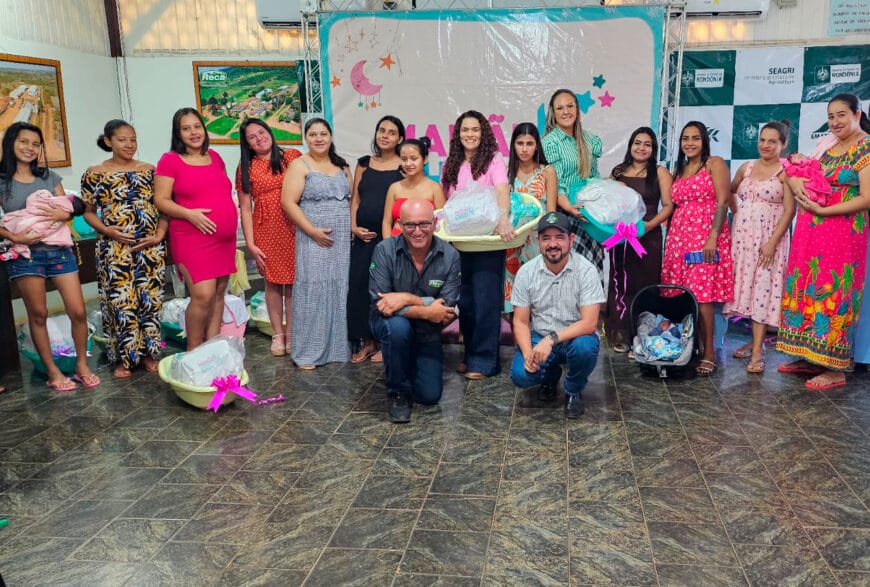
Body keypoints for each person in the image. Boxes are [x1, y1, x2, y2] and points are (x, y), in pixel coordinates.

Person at [777, 93, 870, 389]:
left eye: (841, 114)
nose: (835, 122)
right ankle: (809, 357)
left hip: (843, 233)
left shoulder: (865, 147)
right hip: (811, 233)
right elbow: (795, 174)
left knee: (835, 290)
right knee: (807, 287)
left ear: (857, 115)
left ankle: (835, 367)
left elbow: (867, 197)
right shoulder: (827, 147)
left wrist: (824, 211)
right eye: (831, 116)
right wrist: (794, 180)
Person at [0, 122, 99, 391]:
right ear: (11, 143)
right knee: (38, 314)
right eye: (23, 142)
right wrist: (15, 237)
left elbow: (67, 208)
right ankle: (53, 372)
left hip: (59, 251)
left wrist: (63, 214)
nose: (29, 148)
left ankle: (81, 365)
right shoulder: (2, 179)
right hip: (26, 255)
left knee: (78, 311)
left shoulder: (48, 176)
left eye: (35, 144)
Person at [81, 119, 166, 378]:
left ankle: (150, 353)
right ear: (108, 141)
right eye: (122, 140)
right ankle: (125, 358)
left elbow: (164, 206)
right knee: (121, 302)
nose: (129, 145)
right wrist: (108, 230)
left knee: (150, 301)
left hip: (149, 248)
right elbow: (88, 212)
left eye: (133, 140)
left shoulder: (150, 170)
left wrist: (159, 235)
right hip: (114, 249)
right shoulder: (95, 173)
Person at [369, 199, 461, 423]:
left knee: (429, 396)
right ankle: (397, 392)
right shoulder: (384, 250)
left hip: (427, 331)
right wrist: (427, 310)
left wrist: (406, 298)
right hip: (389, 323)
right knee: (398, 329)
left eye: (424, 224)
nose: (417, 231)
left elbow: (446, 310)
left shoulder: (450, 255)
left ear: (435, 223)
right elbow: (381, 303)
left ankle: (404, 360)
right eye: (410, 225)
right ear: (400, 224)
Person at [154, 108, 237, 350]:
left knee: (219, 293)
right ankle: (194, 351)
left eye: (197, 126)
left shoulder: (215, 157)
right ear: (178, 133)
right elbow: (161, 200)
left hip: (224, 240)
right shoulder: (170, 160)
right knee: (203, 296)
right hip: (192, 237)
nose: (193, 132)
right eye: (186, 128)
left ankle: (213, 347)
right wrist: (190, 214)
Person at [441, 110, 514, 380]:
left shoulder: (494, 160)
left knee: (486, 301)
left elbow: (502, 191)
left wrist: (503, 218)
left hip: (487, 243)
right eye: (465, 130)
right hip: (459, 245)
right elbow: (447, 203)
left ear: (483, 133)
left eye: (475, 129)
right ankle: (470, 354)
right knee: (467, 302)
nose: (469, 134)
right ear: (458, 134)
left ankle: (485, 361)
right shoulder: (450, 164)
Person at [510, 211, 604, 418]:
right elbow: (520, 322)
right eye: (546, 238)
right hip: (540, 335)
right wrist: (528, 354)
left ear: (571, 239)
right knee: (521, 375)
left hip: (575, 337)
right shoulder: (526, 272)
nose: (553, 244)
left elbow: (589, 323)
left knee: (584, 348)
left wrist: (551, 340)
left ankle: (573, 390)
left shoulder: (586, 271)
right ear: (538, 241)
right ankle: (550, 376)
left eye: (559, 237)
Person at [660, 121, 734, 375]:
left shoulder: (714, 164)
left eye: (695, 138)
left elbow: (723, 201)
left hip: (704, 238)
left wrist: (712, 237)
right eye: (685, 138)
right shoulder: (679, 170)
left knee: (703, 296)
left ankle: (710, 352)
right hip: (679, 239)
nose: (689, 143)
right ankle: (691, 347)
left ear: (704, 141)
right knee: (683, 294)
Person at [724, 121, 795, 373]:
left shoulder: (786, 172)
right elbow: (729, 192)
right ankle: (755, 343)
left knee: (763, 292)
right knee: (745, 291)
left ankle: (756, 352)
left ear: (783, 144)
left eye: (772, 141)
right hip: (743, 240)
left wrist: (772, 243)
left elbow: (790, 211)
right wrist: (738, 213)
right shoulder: (747, 167)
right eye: (762, 140)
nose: (766, 145)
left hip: (769, 241)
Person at [281, 118, 352, 369]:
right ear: (306, 138)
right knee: (314, 288)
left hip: (341, 240)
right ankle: (308, 352)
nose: (319, 138)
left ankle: (337, 348)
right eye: (313, 134)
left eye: (323, 133)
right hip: (313, 237)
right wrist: (312, 231)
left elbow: (351, 199)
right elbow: (288, 202)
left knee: (339, 288)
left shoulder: (342, 165)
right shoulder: (299, 165)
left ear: (331, 136)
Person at [236, 118, 302, 357]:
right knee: (272, 283)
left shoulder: (291, 156)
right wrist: (250, 243)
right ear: (247, 144)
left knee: (293, 282)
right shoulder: (245, 167)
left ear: (270, 132)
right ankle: (278, 335)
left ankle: (293, 334)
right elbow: (245, 208)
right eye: (252, 137)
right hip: (266, 228)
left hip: (293, 225)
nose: (259, 138)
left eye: (262, 132)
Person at [606, 127, 674, 352]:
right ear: (630, 145)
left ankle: (645, 336)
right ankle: (621, 334)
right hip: (620, 237)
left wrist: (649, 226)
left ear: (653, 149)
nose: (641, 148)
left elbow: (669, 206)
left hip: (648, 236)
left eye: (647, 144)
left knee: (646, 284)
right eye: (637, 143)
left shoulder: (660, 172)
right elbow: (607, 200)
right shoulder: (618, 171)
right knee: (620, 283)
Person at [348, 116, 404, 364]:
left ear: (400, 139)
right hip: (363, 238)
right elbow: (356, 200)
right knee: (361, 288)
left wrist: (393, 235)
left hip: (391, 238)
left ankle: (385, 341)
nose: (385, 136)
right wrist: (354, 227)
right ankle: (367, 342)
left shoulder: (404, 165)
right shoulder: (364, 164)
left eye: (391, 132)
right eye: (382, 130)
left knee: (387, 289)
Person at [542, 89, 605, 283]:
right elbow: (556, 184)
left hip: (590, 215)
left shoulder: (590, 140)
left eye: (570, 106)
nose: (566, 112)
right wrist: (569, 208)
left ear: (577, 109)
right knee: (568, 274)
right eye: (560, 108)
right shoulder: (550, 142)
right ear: (553, 113)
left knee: (591, 271)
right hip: (565, 214)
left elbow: (594, 176)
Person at [504, 123, 557, 313]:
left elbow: (551, 213)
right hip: (513, 239)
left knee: (539, 290)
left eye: (529, 143)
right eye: (520, 143)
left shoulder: (547, 171)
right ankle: (516, 328)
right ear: (513, 145)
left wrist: (549, 241)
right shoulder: (507, 172)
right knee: (513, 291)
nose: (524, 149)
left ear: (537, 146)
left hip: (538, 239)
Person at [382, 137, 445, 239]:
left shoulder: (435, 188)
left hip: (427, 244)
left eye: (414, 159)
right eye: (404, 159)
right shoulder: (394, 188)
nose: (408, 163)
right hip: (397, 243)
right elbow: (386, 222)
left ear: (425, 159)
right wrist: (388, 245)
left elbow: (441, 223)